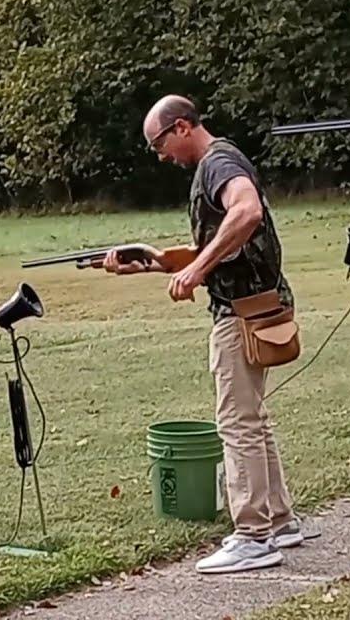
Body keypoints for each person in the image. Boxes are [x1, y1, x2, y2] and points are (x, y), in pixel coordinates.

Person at [103, 95, 311, 574]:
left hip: (240, 315)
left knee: (237, 423)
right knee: (253, 420)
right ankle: (281, 521)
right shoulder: (223, 159)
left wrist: (196, 268)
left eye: (159, 144)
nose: (160, 156)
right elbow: (224, 245)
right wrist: (154, 265)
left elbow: (247, 212)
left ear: (180, 127)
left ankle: (253, 535)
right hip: (258, 304)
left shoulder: (218, 164)